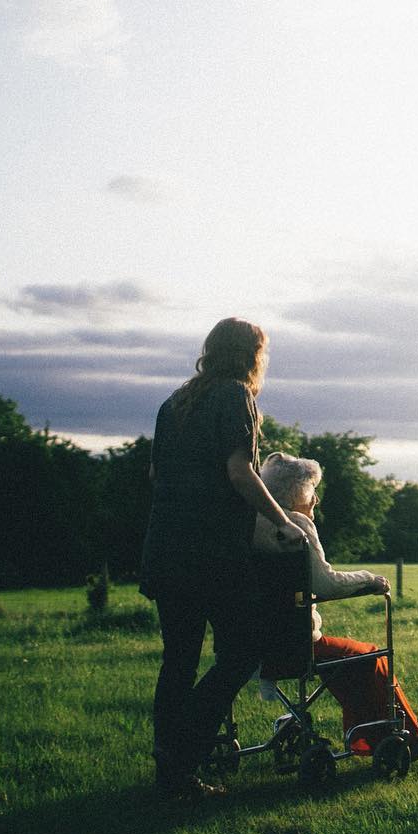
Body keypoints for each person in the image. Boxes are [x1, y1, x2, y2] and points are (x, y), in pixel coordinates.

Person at [140, 317, 307, 800]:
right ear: (252, 354)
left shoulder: (174, 402)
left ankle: (170, 769)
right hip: (210, 553)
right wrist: (282, 521)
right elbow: (240, 472)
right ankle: (183, 752)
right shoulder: (237, 397)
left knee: (179, 660)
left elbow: (157, 473)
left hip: (165, 547)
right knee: (242, 652)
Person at [253, 451, 418, 758]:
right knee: (370, 657)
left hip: (252, 645)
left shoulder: (252, 525)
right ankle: (408, 737)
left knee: (348, 659)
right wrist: (369, 579)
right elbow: (325, 584)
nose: (316, 499)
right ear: (297, 493)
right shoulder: (297, 526)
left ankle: (376, 736)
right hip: (295, 644)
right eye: (312, 491)